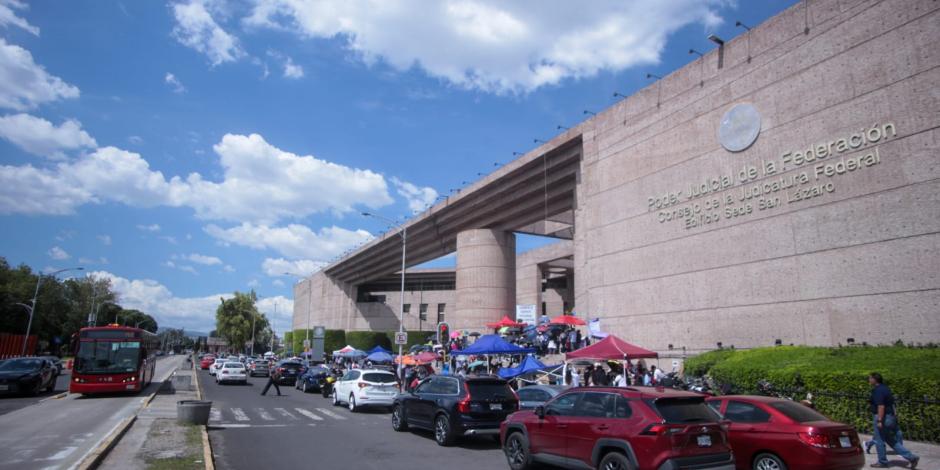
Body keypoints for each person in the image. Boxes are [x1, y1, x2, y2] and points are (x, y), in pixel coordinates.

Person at [868, 372, 919, 468]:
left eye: (870, 378)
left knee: (879, 440)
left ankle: (882, 461)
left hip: (882, 417)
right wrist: (894, 416)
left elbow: (881, 406)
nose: (869, 380)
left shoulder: (878, 390)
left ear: (875, 379)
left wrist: (879, 420)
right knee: (891, 440)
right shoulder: (886, 388)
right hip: (890, 417)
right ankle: (912, 457)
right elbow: (891, 403)